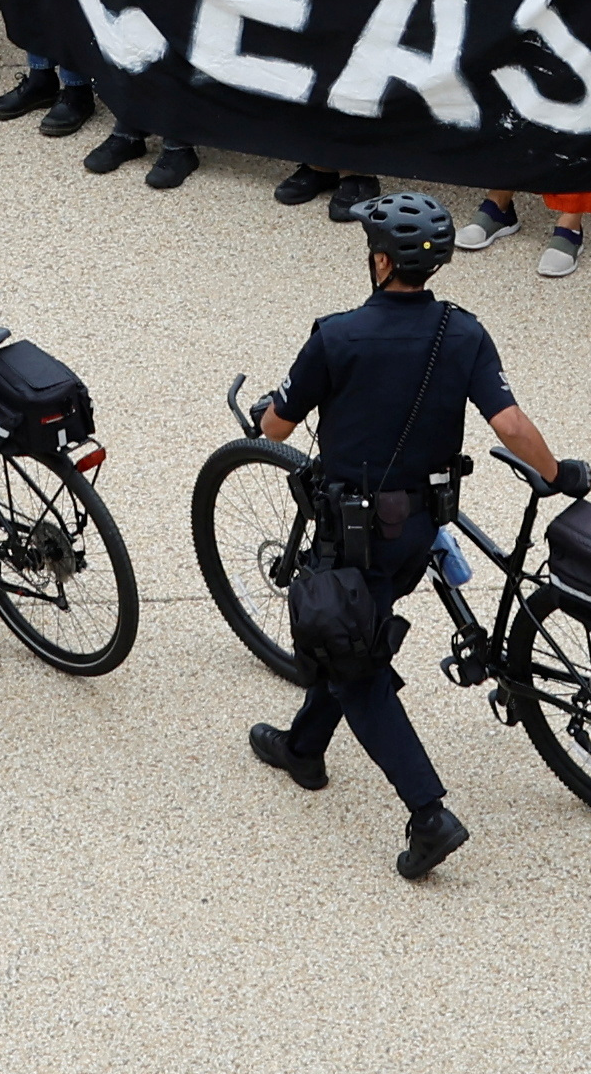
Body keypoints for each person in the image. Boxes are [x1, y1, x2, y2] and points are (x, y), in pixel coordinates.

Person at [241, 182, 569, 882]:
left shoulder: (335, 336)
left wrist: (272, 408)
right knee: (349, 634)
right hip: (420, 526)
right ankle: (303, 747)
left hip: (351, 532)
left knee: (354, 666)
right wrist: (557, 472)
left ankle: (428, 814)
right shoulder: (465, 332)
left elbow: (277, 428)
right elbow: (508, 425)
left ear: (382, 262)